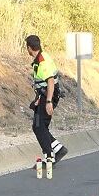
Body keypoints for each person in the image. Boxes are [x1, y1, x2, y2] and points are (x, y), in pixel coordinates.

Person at [25, 34, 67, 167]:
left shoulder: (42, 61)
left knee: (39, 126)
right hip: (44, 96)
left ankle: (49, 157)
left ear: (30, 48)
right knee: (39, 127)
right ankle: (58, 149)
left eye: (27, 48)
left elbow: (50, 81)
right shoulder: (42, 57)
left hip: (48, 96)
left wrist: (48, 102)